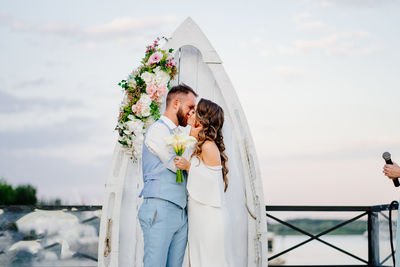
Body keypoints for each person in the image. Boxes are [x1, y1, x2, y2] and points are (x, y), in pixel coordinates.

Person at [138, 83, 197, 267]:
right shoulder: (158, 130)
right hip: (160, 208)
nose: (192, 112)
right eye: (190, 107)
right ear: (176, 103)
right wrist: (194, 138)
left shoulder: (179, 134)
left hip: (180, 212)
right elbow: (175, 165)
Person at [174, 98, 230, 267]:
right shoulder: (198, 143)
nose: (191, 113)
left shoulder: (208, 146)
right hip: (199, 214)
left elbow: (213, 183)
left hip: (209, 215)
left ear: (202, 119)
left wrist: (189, 167)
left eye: (195, 110)